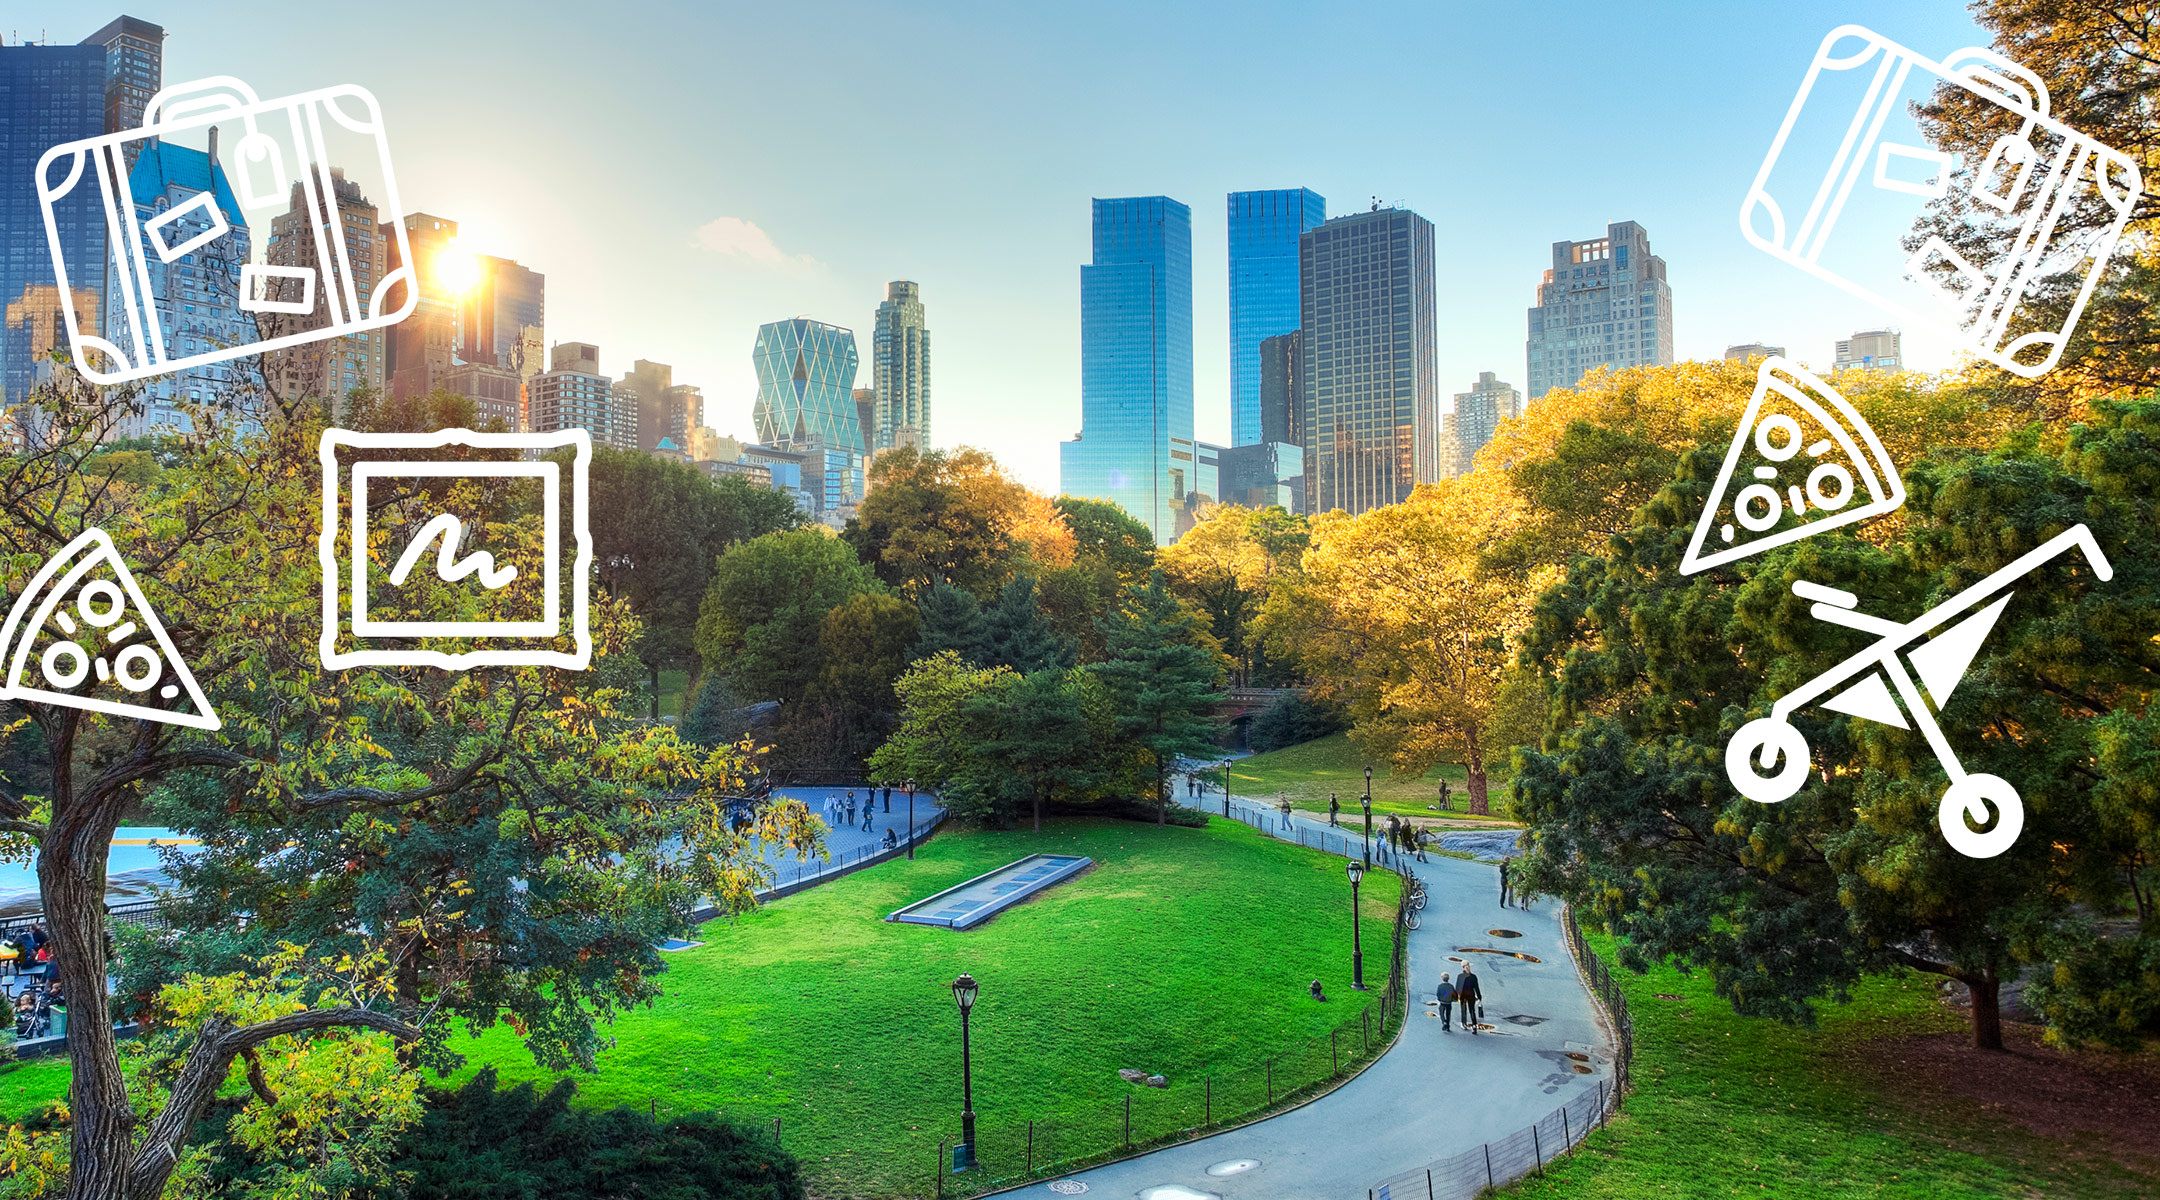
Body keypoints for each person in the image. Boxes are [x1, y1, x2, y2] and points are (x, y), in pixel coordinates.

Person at [1456, 966, 1483, 1032]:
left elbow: (1458, 987)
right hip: (1471, 994)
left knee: (1463, 1010)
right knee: (1472, 1010)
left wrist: (1457, 996)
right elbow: (1476, 987)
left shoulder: (1460, 976)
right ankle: (1474, 1025)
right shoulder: (1473, 977)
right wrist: (1479, 996)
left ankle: (1463, 1023)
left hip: (1463, 995)